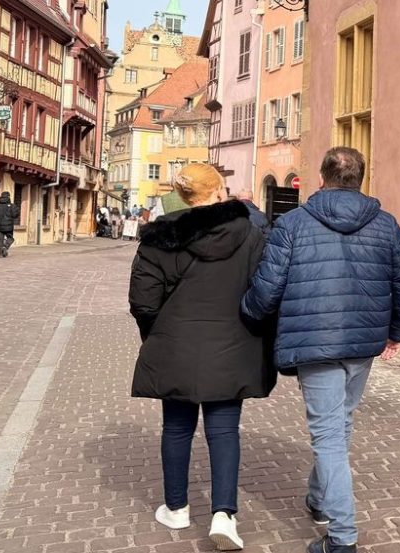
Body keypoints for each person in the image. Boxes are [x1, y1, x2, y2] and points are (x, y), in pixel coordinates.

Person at [242, 147, 400, 553]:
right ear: (360, 179)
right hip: (362, 342)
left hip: (313, 342)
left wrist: (249, 314)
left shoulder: (293, 224)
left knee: (329, 435)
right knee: (339, 426)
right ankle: (321, 500)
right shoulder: (386, 225)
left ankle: (342, 538)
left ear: (321, 179)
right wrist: (397, 333)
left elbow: (267, 287)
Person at [129, 163, 275, 551]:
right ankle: (224, 514)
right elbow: (265, 289)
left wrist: (158, 335)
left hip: (174, 343)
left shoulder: (159, 238)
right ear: (219, 191)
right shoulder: (251, 233)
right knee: (224, 430)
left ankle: (176, 507)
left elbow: (142, 301)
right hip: (233, 343)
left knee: (176, 428)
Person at [0, 192, 21, 257]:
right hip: (9, 226)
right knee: (10, 238)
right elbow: (15, 215)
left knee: (0, 240)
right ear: (8, 197)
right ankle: (5, 247)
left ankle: (0, 254)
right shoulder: (12, 206)